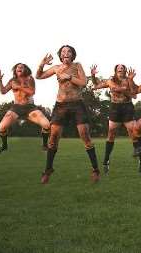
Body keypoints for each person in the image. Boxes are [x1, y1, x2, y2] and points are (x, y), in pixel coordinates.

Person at [36, 45, 100, 184]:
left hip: (77, 105)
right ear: (60, 55)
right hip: (61, 105)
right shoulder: (56, 68)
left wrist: (69, 77)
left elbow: (83, 83)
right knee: (53, 138)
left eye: (69, 51)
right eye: (63, 51)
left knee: (85, 136)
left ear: (72, 55)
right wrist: (41, 64)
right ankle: (48, 170)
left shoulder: (77, 65)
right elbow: (39, 76)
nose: (66, 53)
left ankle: (95, 169)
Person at [91, 64, 141, 174]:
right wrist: (93, 75)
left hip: (127, 108)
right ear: (115, 71)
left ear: (125, 71)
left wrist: (127, 84)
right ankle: (106, 160)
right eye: (118, 69)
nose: (120, 70)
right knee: (111, 134)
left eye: (122, 69)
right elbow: (96, 85)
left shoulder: (128, 80)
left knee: (133, 133)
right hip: (115, 109)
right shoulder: (110, 81)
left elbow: (134, 95)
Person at [0, 63, 50, 155]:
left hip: (30, 108)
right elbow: (3, 91)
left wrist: (19, 87)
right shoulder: (12, 80)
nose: (19, 68)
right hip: (16, 108)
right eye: (18, 67)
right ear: (15, 70)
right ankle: (4, 145)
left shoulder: (30, 79)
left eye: (22, 67)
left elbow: (32, 92)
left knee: (46, 124)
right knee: (2, 127)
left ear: (25, 70)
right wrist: (0, 81)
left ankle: (44, 145)